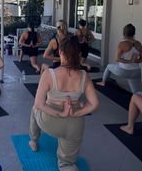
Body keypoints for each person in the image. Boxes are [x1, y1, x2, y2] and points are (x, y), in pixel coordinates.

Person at [28, 36, 99, 171]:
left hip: (50, 122)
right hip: (75, 124)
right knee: (68, 164)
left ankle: (33, 140)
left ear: (60, 52)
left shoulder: (49, 74)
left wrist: (60, 113)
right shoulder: (84, 75)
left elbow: (39, 103)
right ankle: (66, 164)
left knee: (34, 110)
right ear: (78, 54)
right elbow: (94, 104)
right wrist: (77, 112)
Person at [96, 24, 142, 93]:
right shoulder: (139, 44)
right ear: (134, 33)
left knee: (108, 66)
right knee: (136, 92)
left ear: (124, 33)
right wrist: (135, 61)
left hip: (124, 71)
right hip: (136, 71)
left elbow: (117, 59)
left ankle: (103, 82)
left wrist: (130, 61)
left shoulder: (122, 44)